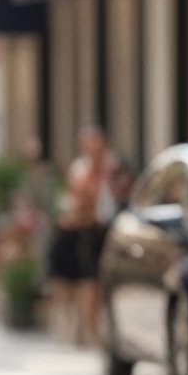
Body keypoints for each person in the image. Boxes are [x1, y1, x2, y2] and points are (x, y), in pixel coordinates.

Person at [53, 123, 117, 347]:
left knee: (100, 282)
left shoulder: (113, 166)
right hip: (86, 230)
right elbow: (75, 199)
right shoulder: (80, 169)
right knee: (86, 280)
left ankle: (95, 328)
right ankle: (87, 328)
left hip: (109, 228)